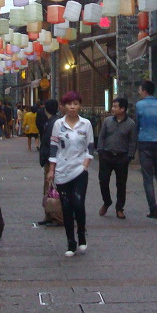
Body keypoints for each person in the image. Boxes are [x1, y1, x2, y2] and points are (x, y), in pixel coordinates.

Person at [47, 91, 95, 256]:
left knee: (78, 204)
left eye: (75, 104)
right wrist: (51, 169)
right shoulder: (58, 124)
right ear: (64, 106)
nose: (72, 107)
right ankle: (70, 242)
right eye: (69, 104)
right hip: (62, 170)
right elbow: (53, 147)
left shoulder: (86, 124)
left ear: (80, 106)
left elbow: (90, 146)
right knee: (66, 207)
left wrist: (85, 165)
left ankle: (81, 234)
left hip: (79, 170)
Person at [96, 97, 138, 219]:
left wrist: (130, 156)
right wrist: (100, 150)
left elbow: (133, 142)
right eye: (113, 106)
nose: (112, 109)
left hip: (121, 157)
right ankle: (107, 201)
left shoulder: (131, 124)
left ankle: (119, 208)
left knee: (121, 184)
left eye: (115, 107)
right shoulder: (107, 121)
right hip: (106, 155)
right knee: (103, 181)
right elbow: (102, 136)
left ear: (122, 109)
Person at [134, 80, 157, 218]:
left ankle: (153, 209)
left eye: (139, 90)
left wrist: (135, 143)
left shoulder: (139, 105)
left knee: (147, 177)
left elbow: (137, 124)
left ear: (144, 91)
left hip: (145, 142)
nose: (139, 92)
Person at [36, 99, 62, 226]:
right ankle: (50, 214)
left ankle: (55, 216)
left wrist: (47, 159)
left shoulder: (52, 123)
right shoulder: (56, 121)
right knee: (50, 188)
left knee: (50, 188)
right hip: (53, 158)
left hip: (51, 159)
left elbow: (49, 143)